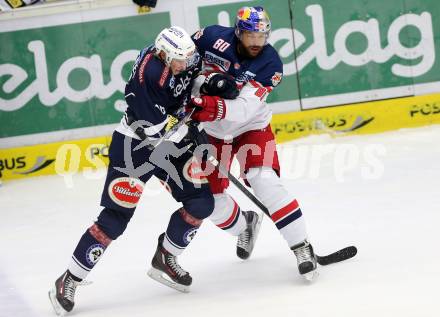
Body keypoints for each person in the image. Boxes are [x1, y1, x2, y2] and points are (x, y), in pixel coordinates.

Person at [49, 26, 215, 315]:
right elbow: (154, 132)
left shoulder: (185, 57)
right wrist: (189, 132)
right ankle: (70, 279)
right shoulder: (148, 75)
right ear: (163, 55)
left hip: (170, 141)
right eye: (180, 60)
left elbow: (195, 79)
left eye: (188, 59)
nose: (185, 65)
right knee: (114, 219)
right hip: (135, 146)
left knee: (201, 202)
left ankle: (166, 257)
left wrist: (209, 85)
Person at [187, 6, 318, 280]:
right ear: (238, 32)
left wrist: (205, 105)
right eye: (251, 36)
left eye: (262, 36)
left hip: (251, 127)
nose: (257, 43)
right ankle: (245, 224)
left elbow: (245, 108)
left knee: (265, 180)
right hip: (212, 132)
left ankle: (301, 245)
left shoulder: (270, 63)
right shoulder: (210, 37)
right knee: (209, 201)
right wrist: (203, 83)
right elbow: (184, 65)